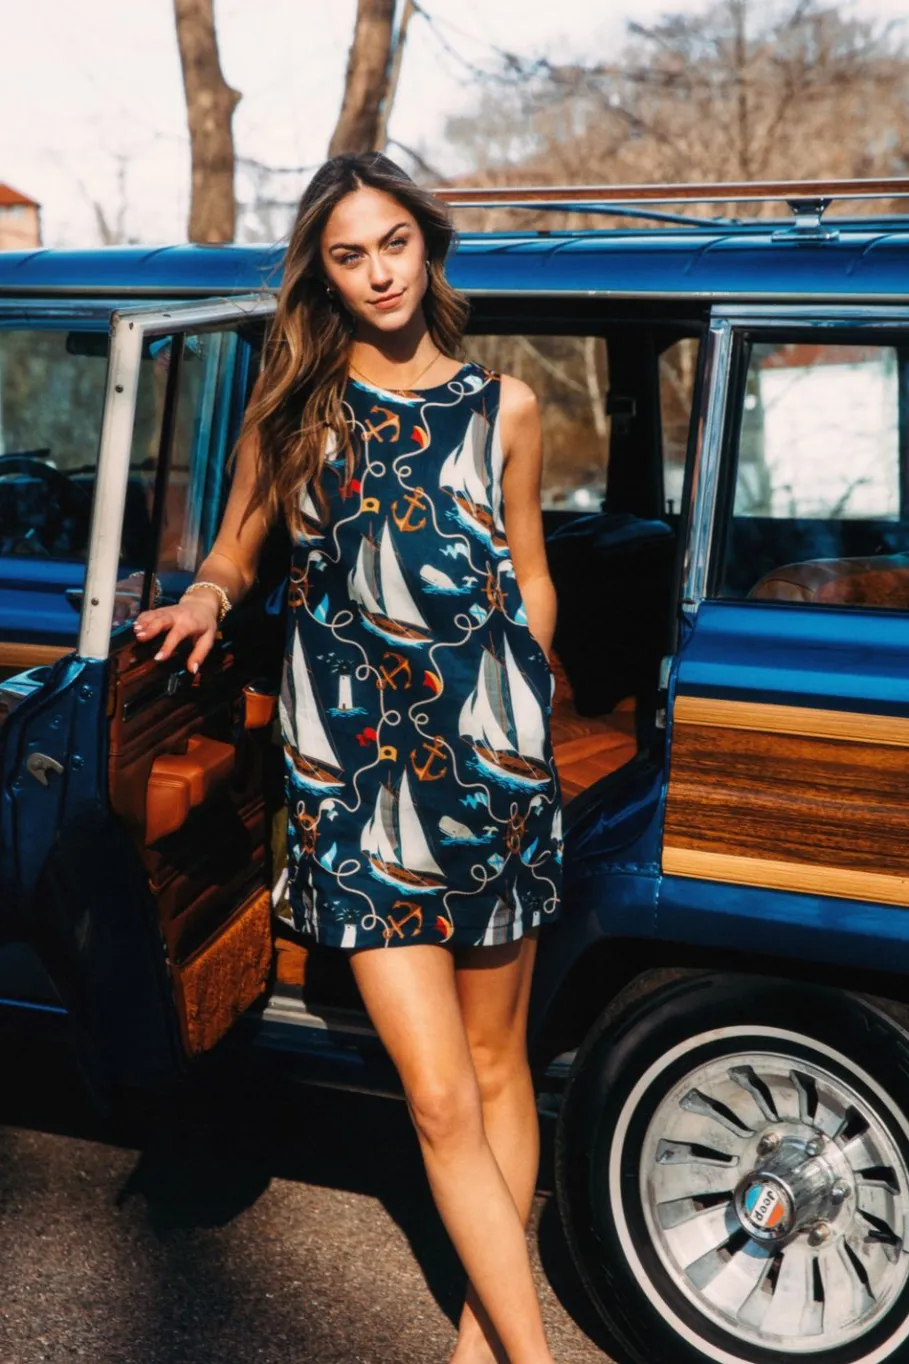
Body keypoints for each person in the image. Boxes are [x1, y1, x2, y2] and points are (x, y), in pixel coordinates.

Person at [133, 152, 564, 1364]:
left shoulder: (509, 408)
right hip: (356, 782)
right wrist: (206, 598)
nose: (378, 273)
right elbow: (235, 550)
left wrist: (522, 700)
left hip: (493, 773)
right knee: (436, 1092)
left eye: (394, 244)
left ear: (428, 246)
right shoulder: (297, 414)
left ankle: (486, 1337)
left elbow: (530, 572)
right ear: (322, 275)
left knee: (497, 1064)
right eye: (349, 254)